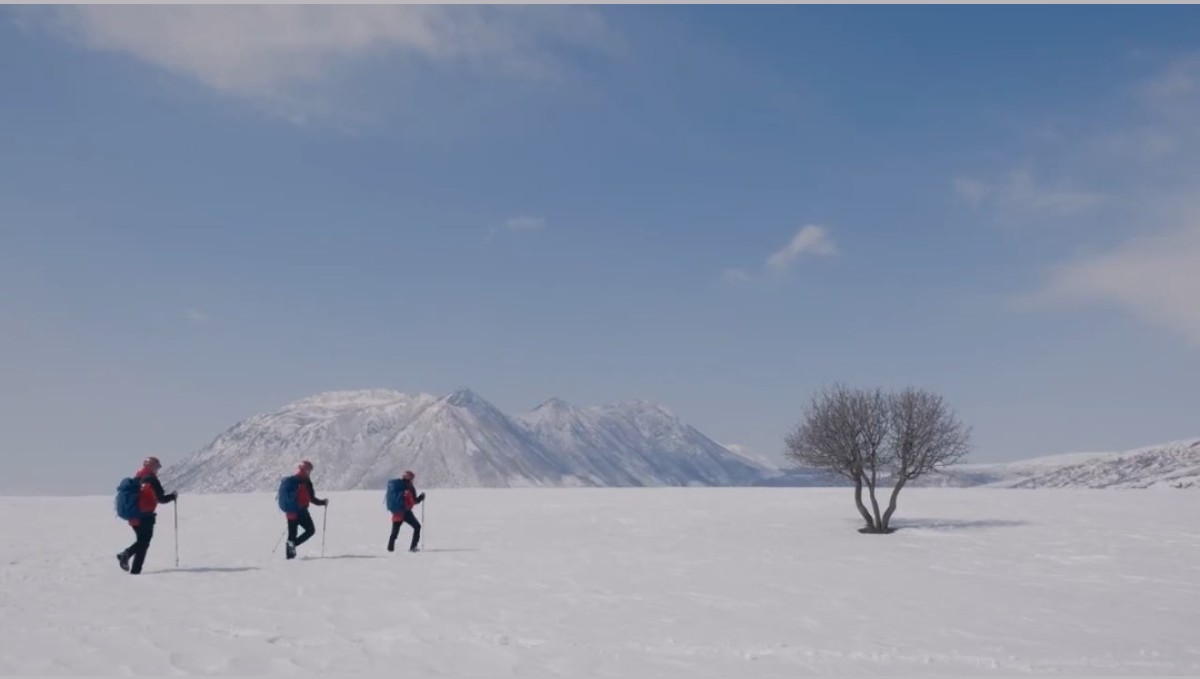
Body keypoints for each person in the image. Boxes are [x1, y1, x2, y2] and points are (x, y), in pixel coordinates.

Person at [116, 456, 177, 575]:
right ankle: (126, 554)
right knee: (144, 542)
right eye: (157, 467)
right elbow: (161, 499)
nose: (158, 470)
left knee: (142, 542)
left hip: (134, 516)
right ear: (152, 466)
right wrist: (173, 496)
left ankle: (135, 571)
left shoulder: (137, 478)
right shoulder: (151, 479)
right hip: (145, 517)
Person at [284, 460, 328, 560]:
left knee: (292, 534)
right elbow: (311, 498)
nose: (310, 472)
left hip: (290, 512)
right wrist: (322, 502)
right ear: (306, 469)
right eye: (310, 470)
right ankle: (292, 547)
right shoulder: (306, 481)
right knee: (310, 530)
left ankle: (290, 556)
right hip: (301, 511)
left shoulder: (292, 480)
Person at [388, 470, 425, 553]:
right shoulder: (409, 487)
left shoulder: (398, 486)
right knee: (417, 527)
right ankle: (413, 547)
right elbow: (414, 501)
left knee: (394, 532)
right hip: (405, 512)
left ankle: (390, 549)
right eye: (412, 478)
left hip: (396, 512)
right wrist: (421, 497)